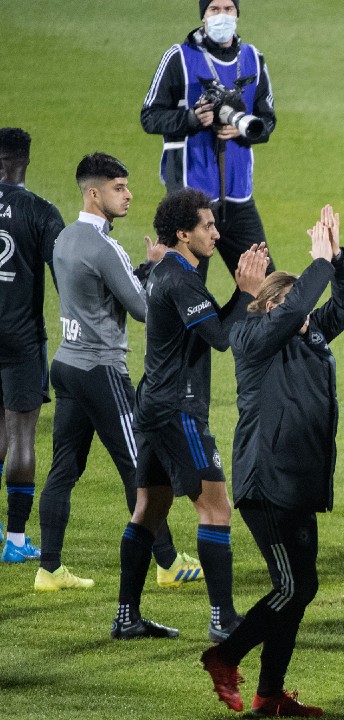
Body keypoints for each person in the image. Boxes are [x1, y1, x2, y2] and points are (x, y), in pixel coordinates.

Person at [201, 205, 344, 717]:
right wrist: (316, 263)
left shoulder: (308, 335)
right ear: (270, 304)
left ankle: (270, 695)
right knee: (295, 585)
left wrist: (337, 257)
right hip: (265, 480)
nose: (307, 311)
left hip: (297, 482)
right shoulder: (251, 339)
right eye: (294, 301)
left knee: (296, 590)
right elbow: (294, 312)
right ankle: (224, 656)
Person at [36, 153, 203, 591]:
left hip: (67, 363)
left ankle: (48, 568)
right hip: (101, 369)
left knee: (63, 469)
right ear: (95, 193)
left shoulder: (65, 239)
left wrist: (142, 269)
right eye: (119, 188)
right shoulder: (105, 246)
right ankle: (167, 562)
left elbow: (100, 292)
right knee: (139, 464)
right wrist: (163, 267)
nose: (128, 195)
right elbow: (145, 309)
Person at [112, 188, 267, 641]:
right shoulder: (180, 279)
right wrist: (245, 293)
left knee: (149, 508)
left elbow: (201, 327)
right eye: (208, 226)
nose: (216, 234)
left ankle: (127, 617)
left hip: (153, 407)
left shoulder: (169, 270)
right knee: (216, 510)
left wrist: (236, 296)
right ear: (183, 233)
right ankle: (224, 620)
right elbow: (220, 337)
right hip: (178, 410)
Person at [141, 0, 277, 281]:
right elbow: (150, 117)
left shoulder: (253, 57)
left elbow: (268, 120)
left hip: (239, 198)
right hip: (190, 200)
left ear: (238, 13)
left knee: (266, 289)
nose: (223, 16)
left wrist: (243, 130)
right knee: (185, 293)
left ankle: (231, 326)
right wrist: (191, 119)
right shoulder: (179, 57)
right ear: (203, 16)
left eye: (229, 8)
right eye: (215, 9)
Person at [0, 127, 65, 564]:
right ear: (24, 161)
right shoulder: (41, 212)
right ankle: (17, 540)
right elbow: (68, 276)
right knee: (21, 432)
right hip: (22, 336)